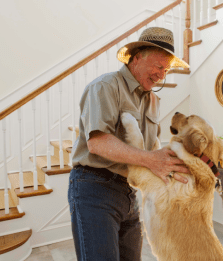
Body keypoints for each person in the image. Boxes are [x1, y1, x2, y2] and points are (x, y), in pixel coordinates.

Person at [68, 27, 190, 261]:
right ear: (137, 58)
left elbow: (150, 149)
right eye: (158, 66)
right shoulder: (105, 86)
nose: (161, 75)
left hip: (129, 192)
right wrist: (152, 160)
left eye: (166, 69)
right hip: (94, 186)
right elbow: (98, 143)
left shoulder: (154, 99)